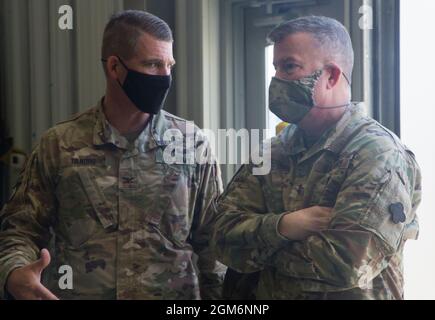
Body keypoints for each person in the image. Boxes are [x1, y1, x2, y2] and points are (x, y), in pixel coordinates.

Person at [0, 10, 225, 300]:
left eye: (169, 65)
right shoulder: (59, 144)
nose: (165, 77)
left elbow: (215, 246)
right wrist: (14, 272)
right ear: (115, 67)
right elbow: (20, 229)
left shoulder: (191, 144)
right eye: (153, 64)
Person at [211, 16, 421, 300]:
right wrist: (285, 226)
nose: (276, 80)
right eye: (276, 68)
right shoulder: (272, 152)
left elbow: (345, 264)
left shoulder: (377, 154)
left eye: (289, 67)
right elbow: (221, 238)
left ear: (332, 76)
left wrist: (260, 254)